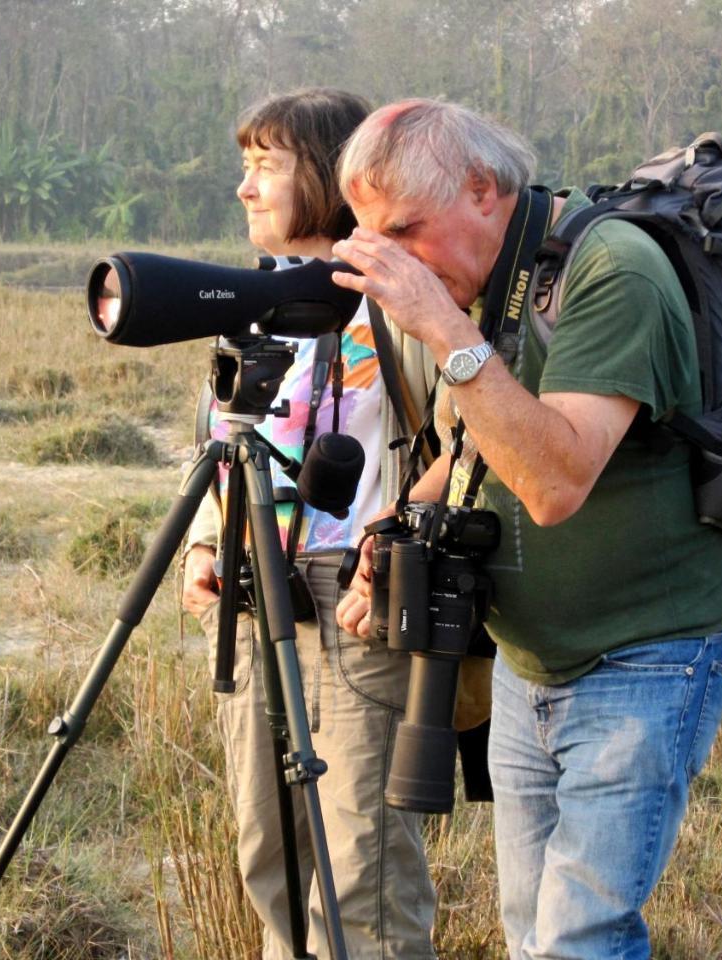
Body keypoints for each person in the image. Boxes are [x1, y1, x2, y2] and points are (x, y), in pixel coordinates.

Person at [331, 99, 722, 960]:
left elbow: (556, 480)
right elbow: (478, 430)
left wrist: (442, 328)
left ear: (483, 188)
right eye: (376, 238)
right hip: (530, 664)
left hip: (643, 656)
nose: (396, 261)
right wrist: (399, 521)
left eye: (406, 229)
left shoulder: (611, 272)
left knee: (580, 939)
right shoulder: (492, 277)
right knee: (531, 933)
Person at [180, 88, 438, 960]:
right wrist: (205, 543)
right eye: (243, 168)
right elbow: (220, 445)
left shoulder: (397, 296)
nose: (245, 190)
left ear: (326, 173)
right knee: (270, 852)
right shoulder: (248, 301)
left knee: (358, 864)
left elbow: (468, 437)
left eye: (265, 167)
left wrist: (397, 536)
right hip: (255, 594)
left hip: (356, 599)